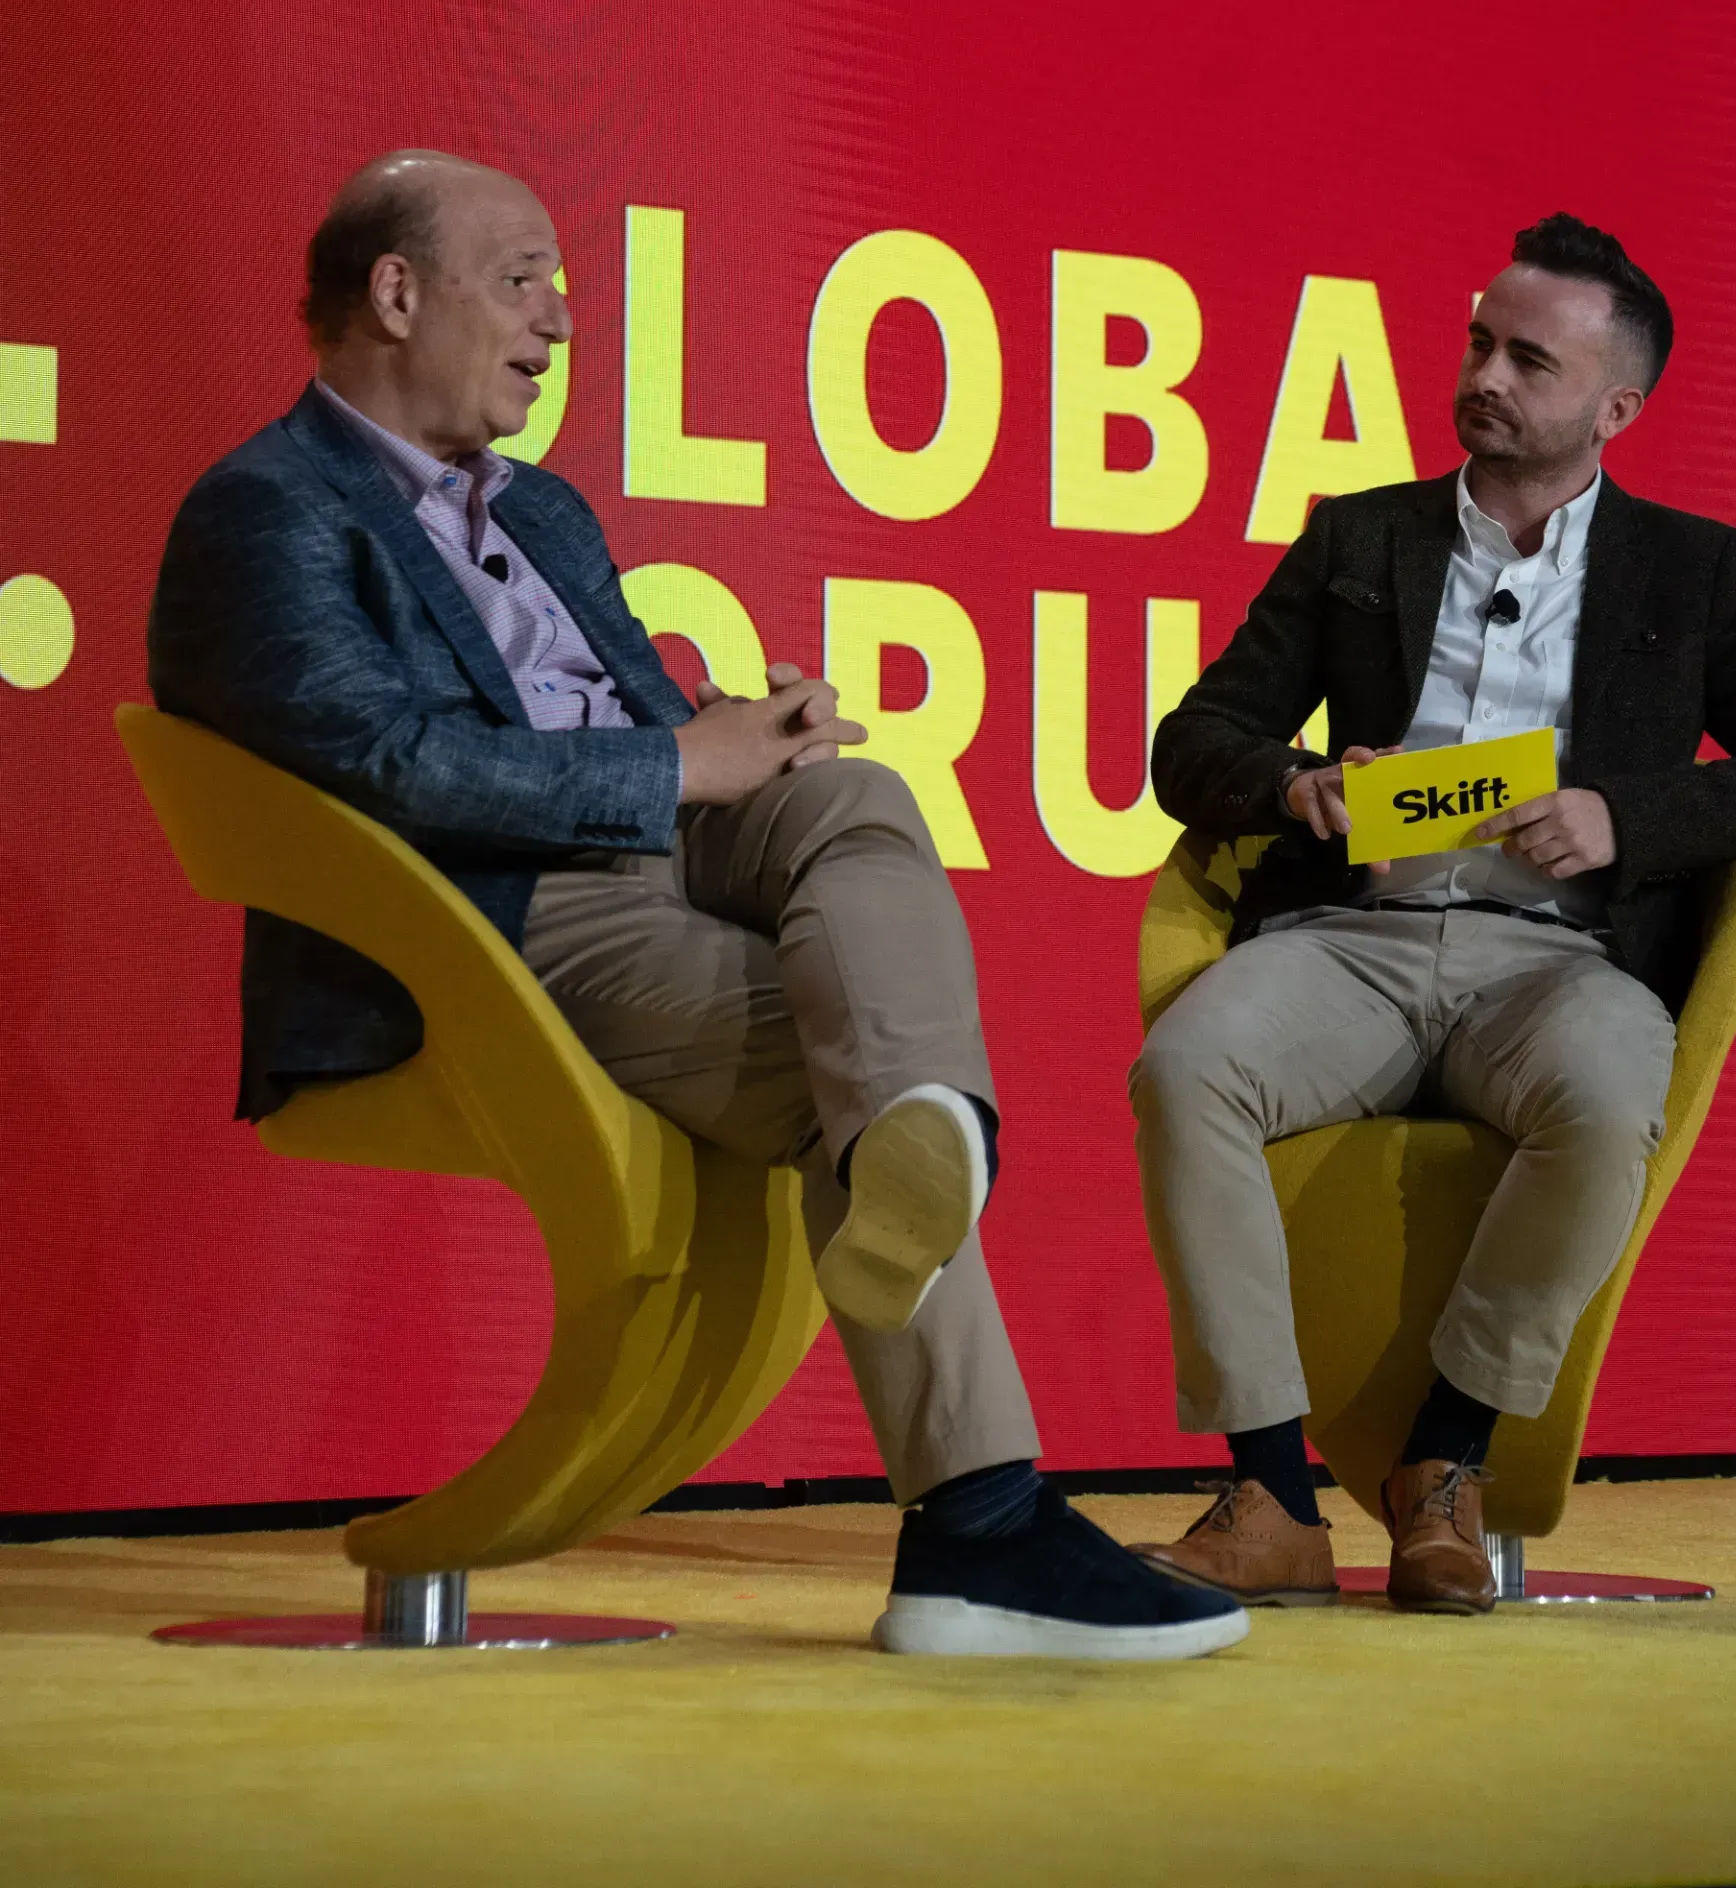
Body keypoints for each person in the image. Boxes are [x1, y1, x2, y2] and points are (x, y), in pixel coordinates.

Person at [149, 150, 1245, 1664]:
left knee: (857, 801)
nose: (557, 321)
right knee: (840, 1062)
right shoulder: (266, 507)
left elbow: (623, 719)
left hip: (642, 842)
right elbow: (382, 764)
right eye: (522, 280)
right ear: (395, 293)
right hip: (479, 917)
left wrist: (743, 736)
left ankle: (925, 1136)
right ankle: (979, 1524)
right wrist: (680, 761)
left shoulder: (543, 510)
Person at [1130, 214, 1736, 1613]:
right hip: (1353, 940)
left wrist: (1624, 816)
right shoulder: (1360, 536)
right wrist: (1298, 783)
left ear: (1614, 408)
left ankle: (1446, 1464)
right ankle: (1271, 1497)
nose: (1486, 377)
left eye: (1531, 360)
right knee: (1187, 1069)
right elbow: (1193, 743)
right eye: (1481, 343)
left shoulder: (1695, 569)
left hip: (1560, 956)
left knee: (1608, 1096)